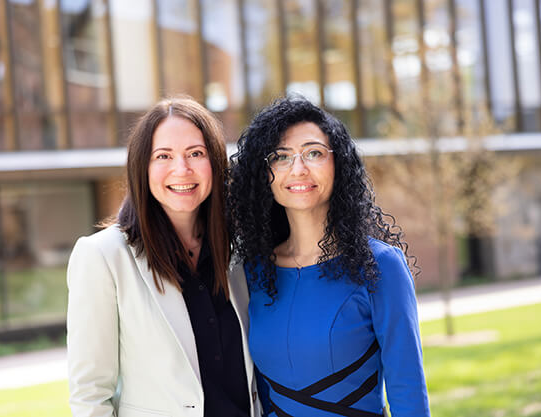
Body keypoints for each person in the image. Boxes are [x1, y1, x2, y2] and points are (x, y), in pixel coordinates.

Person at [227, 96, 430, 417]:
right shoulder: (253, 271)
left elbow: (408, 391)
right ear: (264, 175)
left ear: (339, 165)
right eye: (281, 156)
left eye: (314, 153)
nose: (298, 168)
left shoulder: (380, 265)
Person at [66, 96, 261, 417]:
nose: (181, 169)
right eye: (163, 156)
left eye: (195, 154)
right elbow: (90, 393)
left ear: (215, 162)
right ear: (142, 167)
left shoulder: (238, 250)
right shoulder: (103, 256)